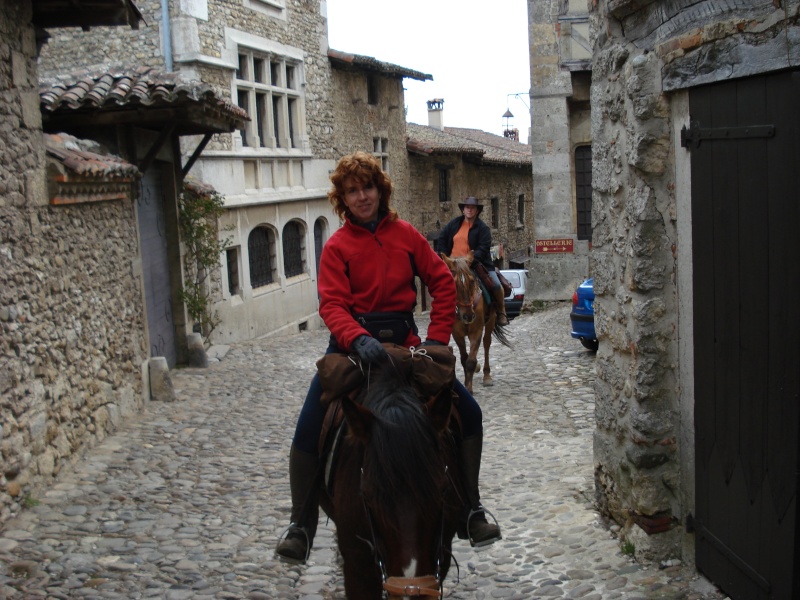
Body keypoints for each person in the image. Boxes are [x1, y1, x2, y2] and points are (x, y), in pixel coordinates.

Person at [275, 152, 502, 563]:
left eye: (368, 187)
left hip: (407, 346)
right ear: (343, 198)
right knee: (310, 423)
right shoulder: (337, 247)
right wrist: (355, 337)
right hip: (351, 350)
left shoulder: (406, 235)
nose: (362, 196)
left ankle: (471, 507)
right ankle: (301, 524)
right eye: (352, 191)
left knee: (468, 412)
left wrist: (434, 342)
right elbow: (331, 304)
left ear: (381, 190)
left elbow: (442, 282)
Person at [437, 196, 509, 325]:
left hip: (475, 263)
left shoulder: (483, 228)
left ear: (477, 211)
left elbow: (484, 247)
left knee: (496, 284)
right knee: (438, 285)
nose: (469, 210)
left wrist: (471, 260)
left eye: (472, 208)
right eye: (467, 207)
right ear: (463, 210)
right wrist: (443, 256)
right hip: (453, 265)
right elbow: (442, 239)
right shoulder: (453, 224)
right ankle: (439, 313)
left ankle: (501, 312)